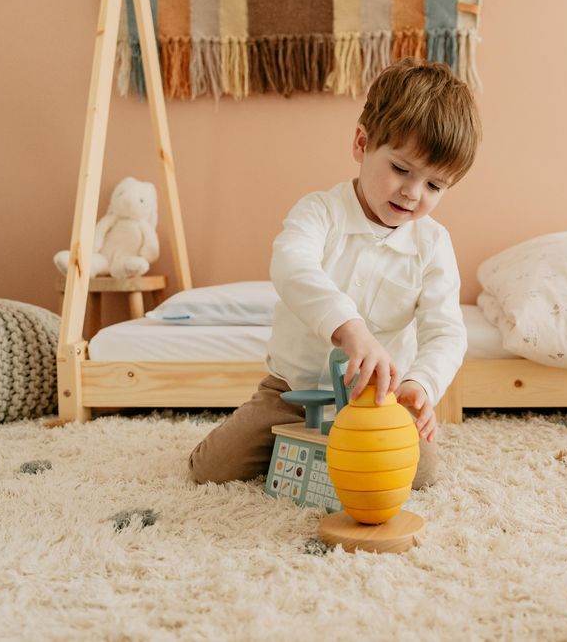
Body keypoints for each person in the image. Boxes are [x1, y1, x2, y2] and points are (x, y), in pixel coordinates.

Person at [188, 57, 482, 489]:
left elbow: (446, 332)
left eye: (434, 185)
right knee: (210, 471)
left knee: (421, 474)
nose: (413, 193)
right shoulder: (320, 213)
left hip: (381, 399)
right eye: (401, 169)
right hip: (293, 392)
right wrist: (349, 327)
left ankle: (330, 456)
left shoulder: (433, 244)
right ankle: (308, 449)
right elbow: (292, 265)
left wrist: (421, 384)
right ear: (362, 144)